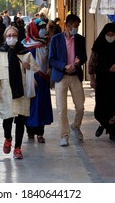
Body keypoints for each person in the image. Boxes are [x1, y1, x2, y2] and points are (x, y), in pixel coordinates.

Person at [0, 26, 38, 159]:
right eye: (9, 35)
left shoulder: (25, 53)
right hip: (5, 92)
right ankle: (8, 138)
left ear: (18, 37)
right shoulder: (0, 53)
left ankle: (17, 147)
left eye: (14, 35)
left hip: (21, 92)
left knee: (21, 121)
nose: (11, 37)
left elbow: (36, 67)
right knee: (7, 120)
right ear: (5, 37)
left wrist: (29, 67)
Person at [88, 23, 115, 141]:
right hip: (104, 82)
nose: (110, 36)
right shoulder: (99, 44)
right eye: (108, 34)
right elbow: (92, 62)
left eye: (112, 34)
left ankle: (113, 132)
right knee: (103, 105)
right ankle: (103, 124)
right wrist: (92, 79)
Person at [48, 14, 87, 146]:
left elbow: (84, 57)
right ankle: (64, 135)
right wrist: (64, 66)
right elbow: (51, 59)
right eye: (75, 26)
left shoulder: (81, 39)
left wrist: (78, 62)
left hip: (75, 75)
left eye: (78, 26)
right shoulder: (55, 39)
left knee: (80, 107)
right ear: (68, 25)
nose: (77, 28)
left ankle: (76, 125)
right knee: (61, 109)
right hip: (61, 76)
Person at [23, 19, 53, 143]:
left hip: (43, 80)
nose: (42, 30)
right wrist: (29, 77)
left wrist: (51, 69)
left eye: (43, 27)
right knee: (30, 106)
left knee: (42, 105)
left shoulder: (47, 42)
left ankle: (40, 133)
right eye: (39, 27)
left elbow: (50, 59)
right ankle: (29, 131)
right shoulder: (25, 45)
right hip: (30, 79)